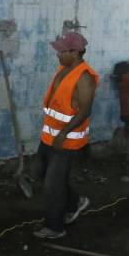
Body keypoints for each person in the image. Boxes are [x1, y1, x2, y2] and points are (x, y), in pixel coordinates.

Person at [33, 31, 99, 239]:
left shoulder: (85, 77)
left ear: (75, 52)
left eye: (62, 51)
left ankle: (55, 227)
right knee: (41, 173)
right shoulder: (64, 69)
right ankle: (75, 202)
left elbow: (85, 111)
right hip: (50, 137)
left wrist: (63, 133)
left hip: (66, 141)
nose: (58, 54)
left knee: (53, 185)